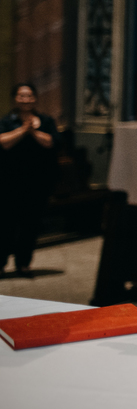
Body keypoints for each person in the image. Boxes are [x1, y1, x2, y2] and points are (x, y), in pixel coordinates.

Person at [0, 83, 60, 276]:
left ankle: (23, 263)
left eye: (29, 96)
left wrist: (32, 131)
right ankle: (1, 263)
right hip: (9, 181)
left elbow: (51, 142)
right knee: (5, 224)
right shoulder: (7, 120)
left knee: (30, 224)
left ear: (35, 98)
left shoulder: (45, 120)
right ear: (15, 99)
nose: (25, 99)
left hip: (37, 181)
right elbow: (3, 142)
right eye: (21, 96)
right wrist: (23, 130)